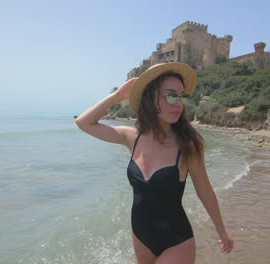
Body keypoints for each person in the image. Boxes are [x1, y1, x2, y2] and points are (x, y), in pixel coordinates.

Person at [76, 62, 233, 264]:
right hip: (141, 238)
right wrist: (117, 96)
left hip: (177, 241)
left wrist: (222, 231)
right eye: (171, 95)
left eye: (181, 95)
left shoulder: (189, 145)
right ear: (150, 100)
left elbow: (204, 190)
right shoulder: (132, 137)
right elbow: (83, 122)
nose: (179, 103)